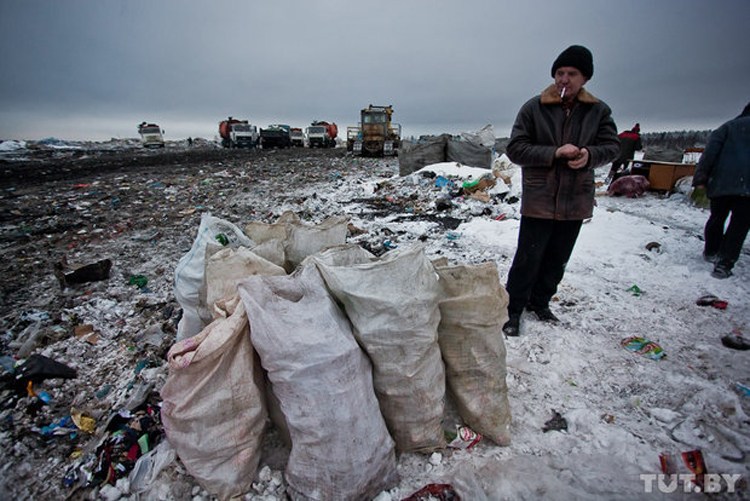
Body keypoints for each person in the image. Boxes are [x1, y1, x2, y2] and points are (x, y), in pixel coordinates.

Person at [502, 45, 620, 337]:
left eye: (572, 74)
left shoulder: (598, 111)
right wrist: (554, 152)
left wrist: (589, 155)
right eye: (559, 73)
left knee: (557, 258)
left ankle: (540, 303)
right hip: (540, 198)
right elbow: (516, 148)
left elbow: (613, 146)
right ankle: (513, 309)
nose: (564, 79)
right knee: (528, 257)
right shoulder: (534, 108)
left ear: (585, 78)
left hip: (575, 199)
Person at [692, 102, 750, 279]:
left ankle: (711, 251)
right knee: (739, 226)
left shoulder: (728, 127)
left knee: (717, 217)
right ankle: (724, 263)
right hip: (748, 187)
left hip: (722, 182)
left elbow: (709, 154)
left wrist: (701, 178)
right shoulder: (728, 128)